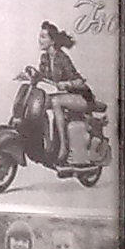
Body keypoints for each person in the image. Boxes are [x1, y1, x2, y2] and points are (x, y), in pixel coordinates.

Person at [34, 22, 93, 162]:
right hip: (66, 97)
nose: (39, 40)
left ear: (52, 41)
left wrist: (67, 84)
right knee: (40, 104)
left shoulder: (62, 58)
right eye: (40, 36)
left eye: (43, 37)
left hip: (82, 97)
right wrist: (29, 76)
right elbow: (42, 78)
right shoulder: (44, 58)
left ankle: (64, 146)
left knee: (55, 101)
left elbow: (80, 82)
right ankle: (49, 144)